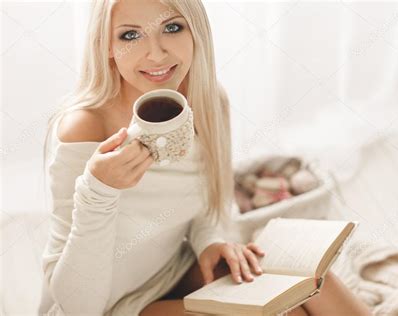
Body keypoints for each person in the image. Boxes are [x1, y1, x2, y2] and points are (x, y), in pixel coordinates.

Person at [39, 0, 371, 315]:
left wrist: (210, 241)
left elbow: (210, 201)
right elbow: (77, 304)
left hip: (174, 270)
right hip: (112, 304)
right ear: (107, 47)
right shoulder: (85, 126)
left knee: (312, 283)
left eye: (172, 28)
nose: (156, 54)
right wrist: (99, 191)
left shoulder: (208, 100)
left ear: (196, 30)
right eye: (130, 35)